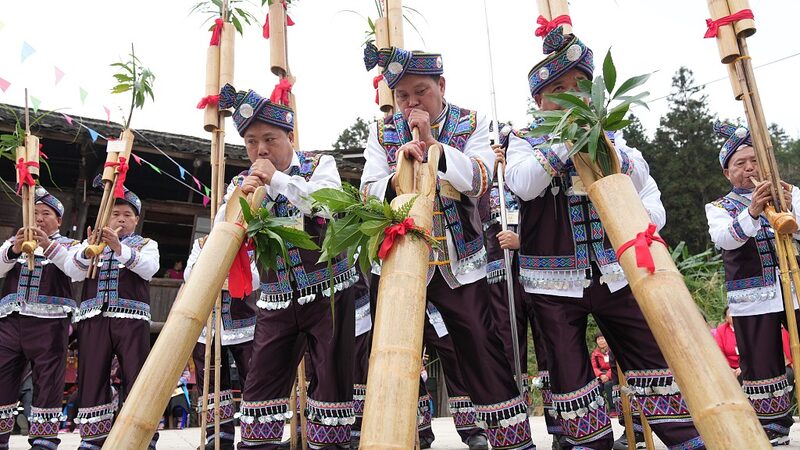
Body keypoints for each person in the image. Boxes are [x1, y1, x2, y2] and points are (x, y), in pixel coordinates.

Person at [505, 26, 704, 449]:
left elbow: (645, 188)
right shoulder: (523, 141)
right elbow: (523, 184)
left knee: (654, 363)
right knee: (569, 377)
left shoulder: (614, 138)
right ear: (539, 101)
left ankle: (688, 439)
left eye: (580, 84)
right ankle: (590, 443)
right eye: (558, 88)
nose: (572, 94)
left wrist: (603, 143)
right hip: (553, 284)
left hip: (618, 272)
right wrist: (568, 141)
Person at [361, 43, 534, 449]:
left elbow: (479, 178)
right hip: (397, 262)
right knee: (394, 350)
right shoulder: (382, 133)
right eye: (401, 96)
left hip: (460, 264)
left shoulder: (472, 121)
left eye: (420, 91)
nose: (410, 103)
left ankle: (510, 438)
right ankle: (408, 434)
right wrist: (398, 171)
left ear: (441, 85)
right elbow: (367, 193)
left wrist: (434, 150)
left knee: (480, 344)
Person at [216, 84, 358, 450]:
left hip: (329, 296)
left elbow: (326, 206)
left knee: (331, 385)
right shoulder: (239, 184)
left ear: (290, 137)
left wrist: (275, 179)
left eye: (269, 139)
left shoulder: (318, 165)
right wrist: (240, 202)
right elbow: (221, 239)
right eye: (250, 142)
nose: (260, 150)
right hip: (276, 303)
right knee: (260, 389)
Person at [705, 121, 800, 446]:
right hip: (753, 299)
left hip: (795, 289)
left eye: (754, 161)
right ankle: (774, 433)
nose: (749, 169)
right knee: (762, 365)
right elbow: (725, 239)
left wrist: (789, 206)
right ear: (727, 173)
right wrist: (754, 211)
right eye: (740, 164)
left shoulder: (790, 192)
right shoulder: (718, 208)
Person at [67, 183, 160, 450]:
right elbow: (73, 273)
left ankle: (142, 438)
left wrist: (119, 247)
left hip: (131, 321)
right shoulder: (90, 244)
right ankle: (93, 438)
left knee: (137, 377)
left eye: (127, 215)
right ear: (106, 218)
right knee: (92, 376)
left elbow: (149, 269)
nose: (120, 218)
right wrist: (88, 250)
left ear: (136, 219)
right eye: (115, 214)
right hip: (93, 317)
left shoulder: (146, 244)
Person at [0, 187, 80, 450]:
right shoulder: (13, 242)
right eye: (34, 213)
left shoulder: (70, 245)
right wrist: (13, 248)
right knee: (2, 377)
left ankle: (44, 441)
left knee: (47, 381)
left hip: (50, 323)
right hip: (11, 321)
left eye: (46, 213)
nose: (39, 218)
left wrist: (47, 245)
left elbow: (75, 270)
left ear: (59, 220)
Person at [185, 236, 259, 450]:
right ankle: (218, 437)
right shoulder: (202, 243)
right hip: (209, 324)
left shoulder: (252, 241)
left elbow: (255, 280)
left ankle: (254, 436)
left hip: (244, 324)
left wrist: (228, 271)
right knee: (211, 382)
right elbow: (190, 275)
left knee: (253, 379)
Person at [590, 333, 614, 410]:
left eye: (602, 338)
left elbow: (616, 365)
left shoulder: (612, 350)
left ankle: (612, 407)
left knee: (607, 385)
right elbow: (594, 367)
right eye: (598, 339)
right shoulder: (595, 354)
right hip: (602, 375)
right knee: (596, 387)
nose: (601, 341)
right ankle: (602, 409)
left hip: (613, 373)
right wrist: (601, 375)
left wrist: (608, 375)